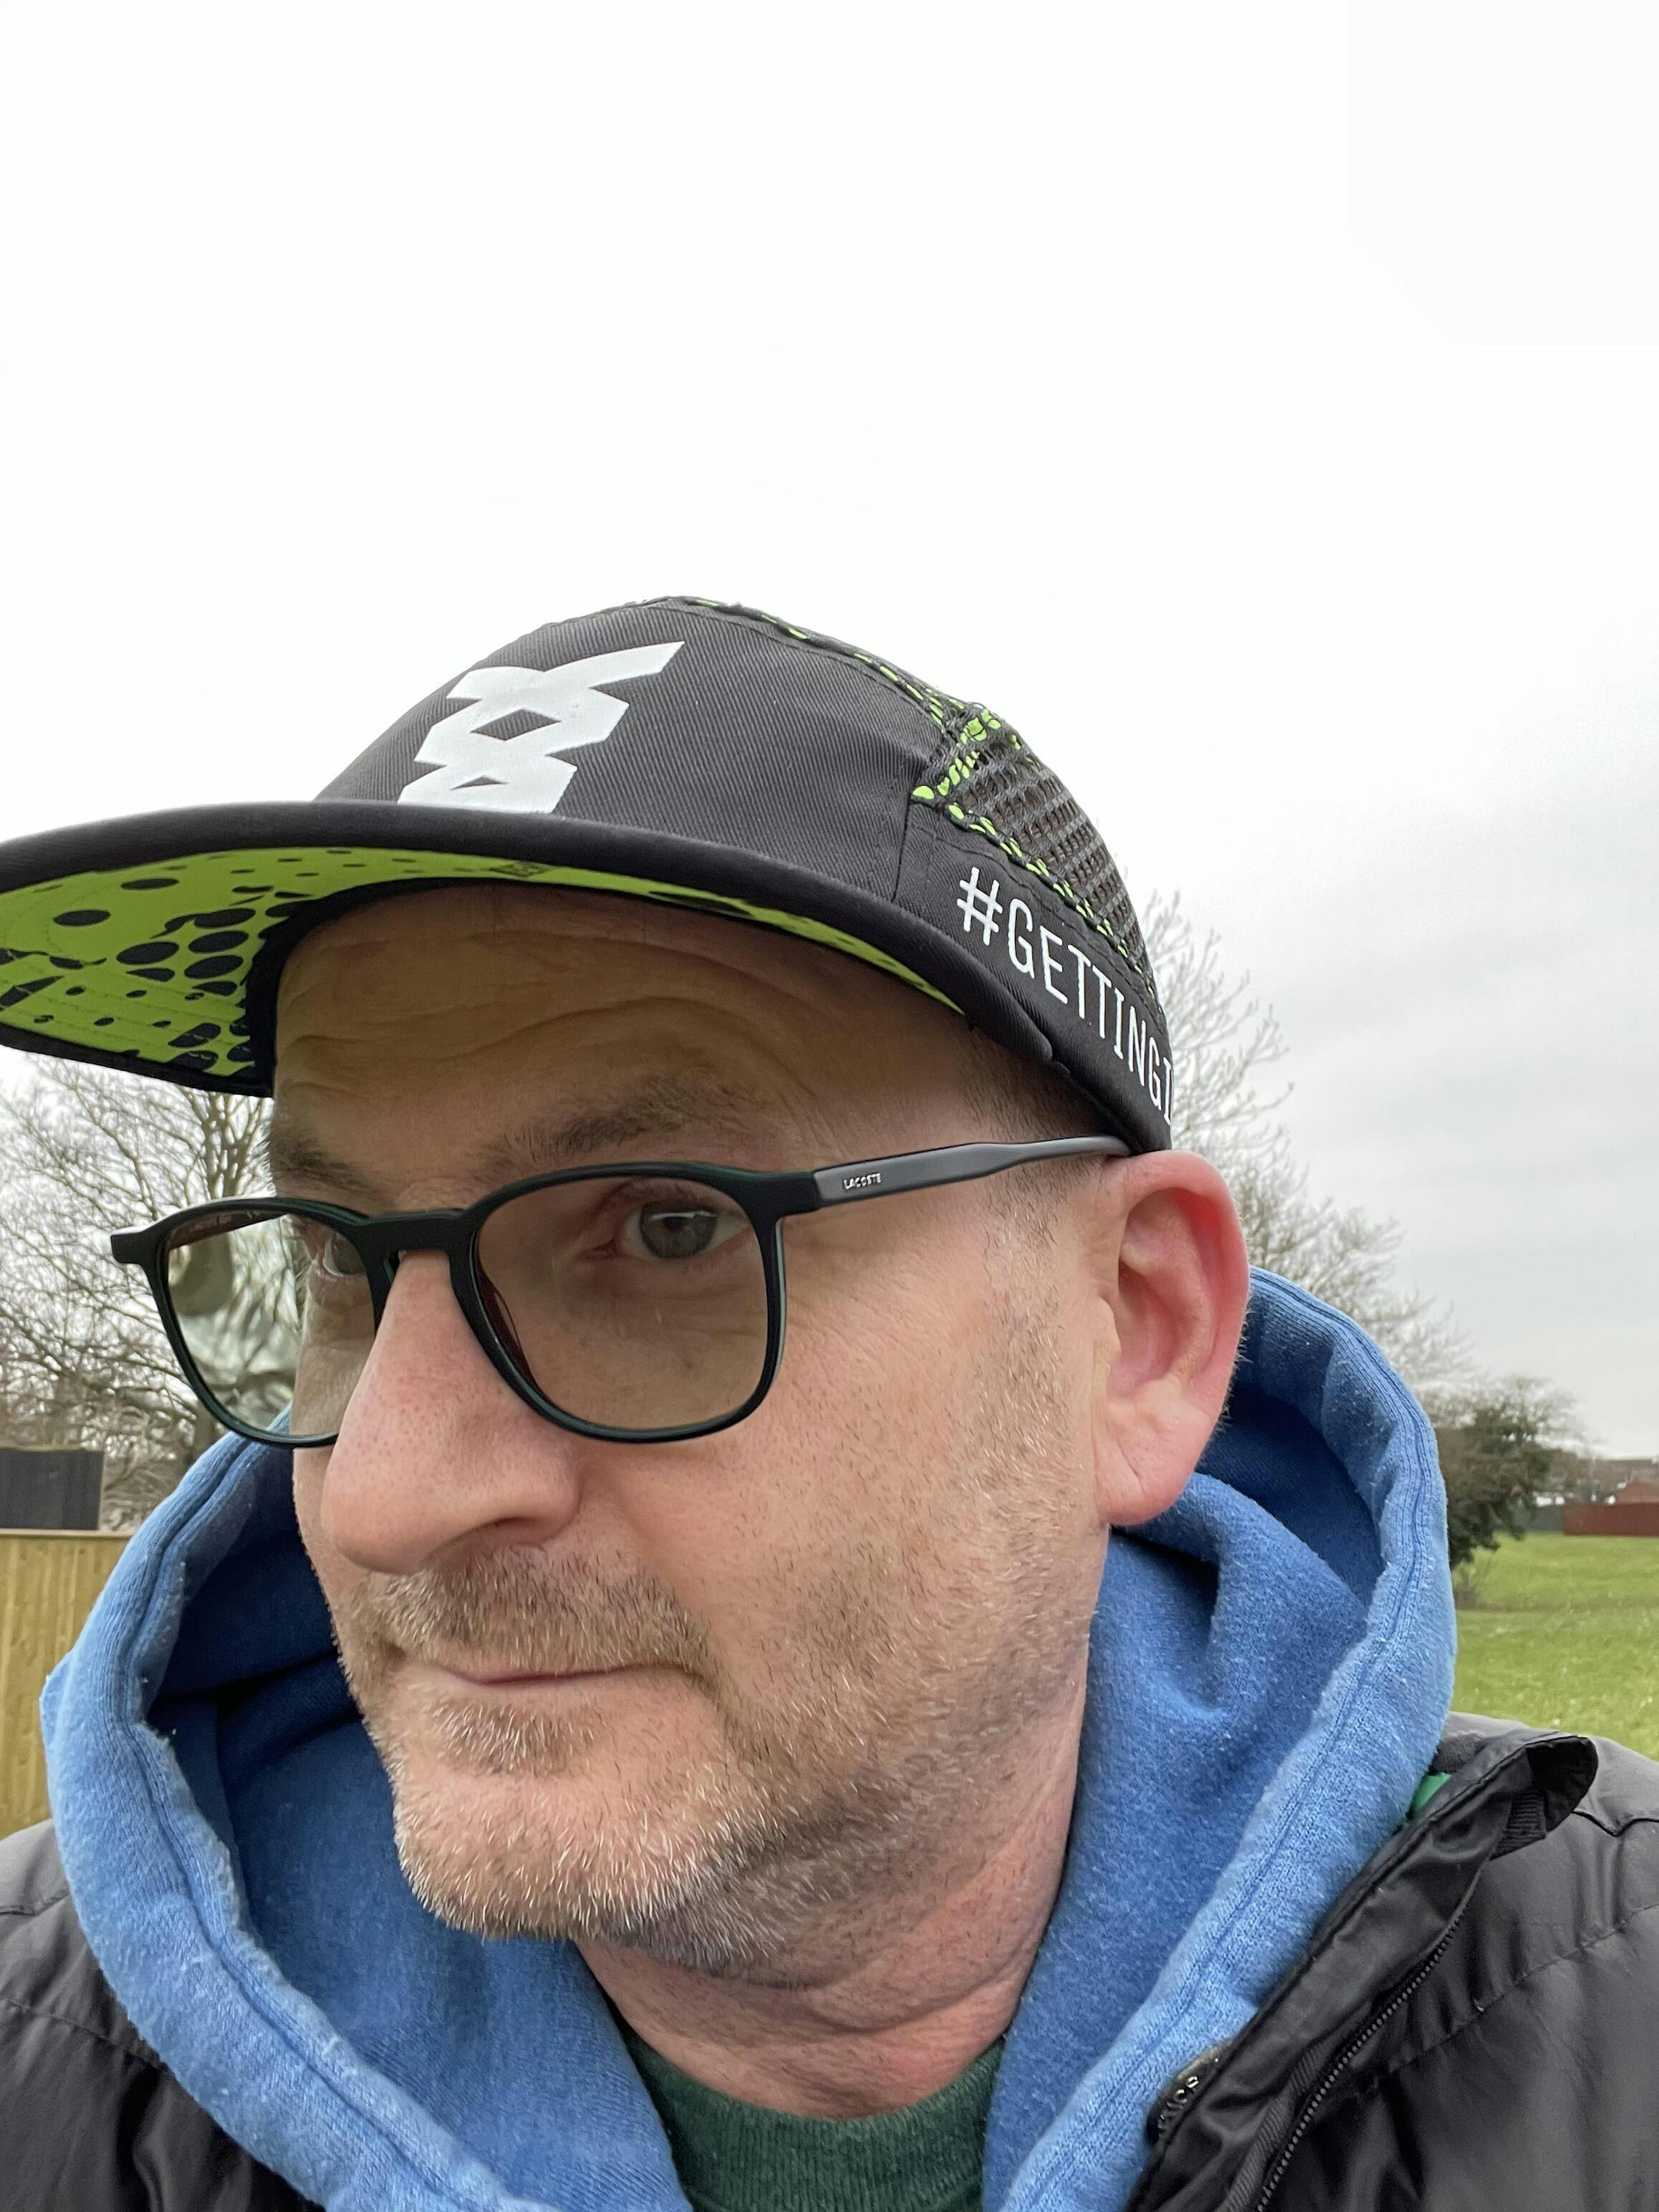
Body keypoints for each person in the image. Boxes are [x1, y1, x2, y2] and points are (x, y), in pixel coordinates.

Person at [0, 597, 1653, 2212]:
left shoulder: (1610, 2015)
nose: (387, 1494)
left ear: (1134, 1335)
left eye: (668, 1230)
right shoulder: (39, 2061)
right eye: (336, 1257)